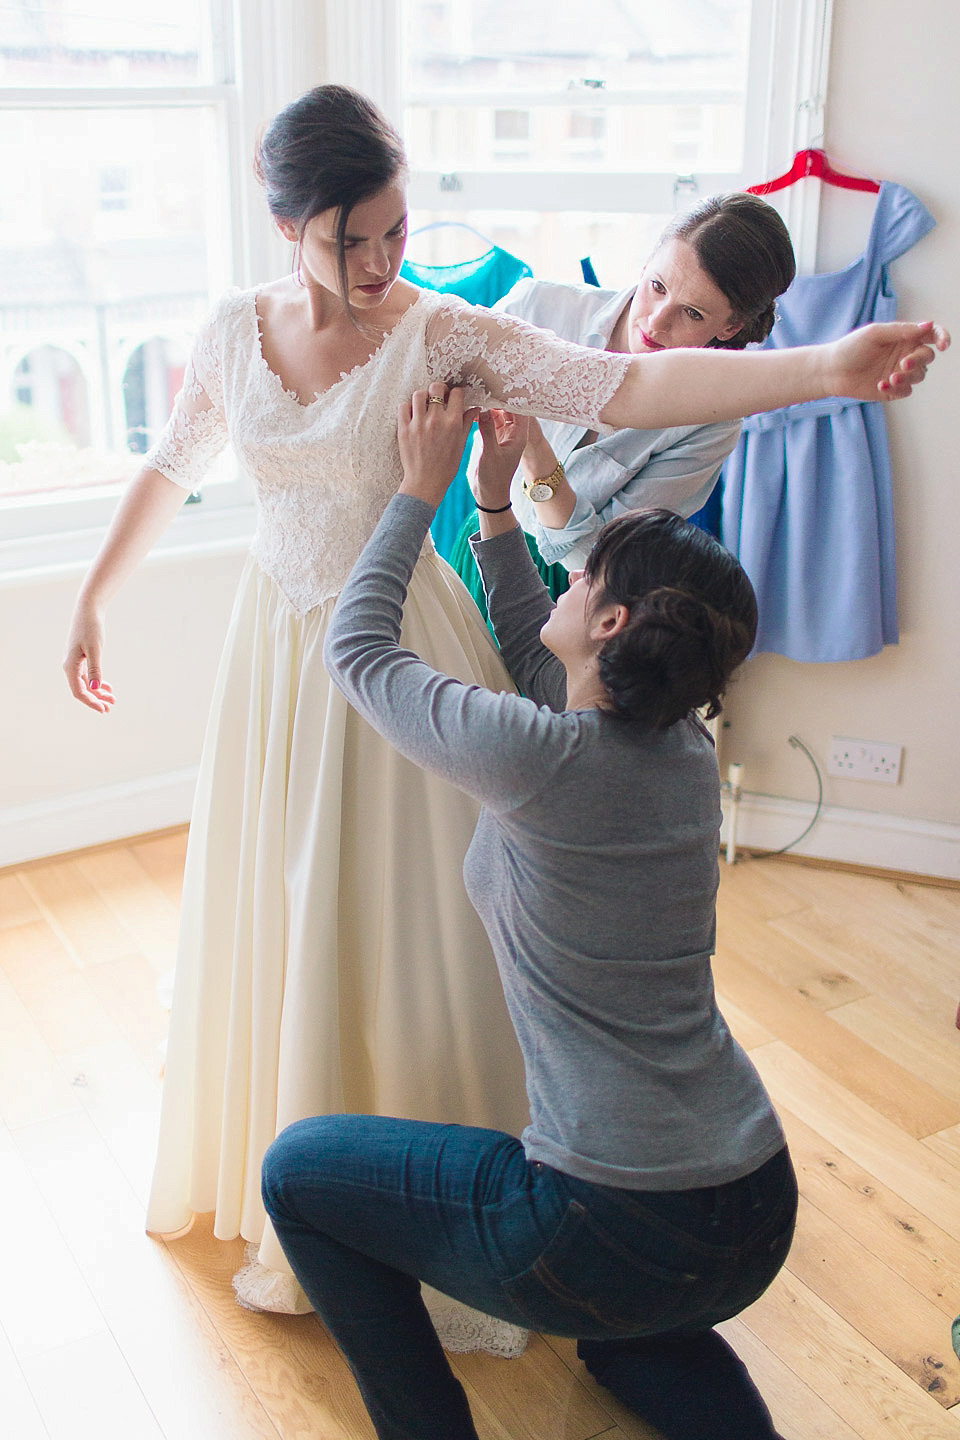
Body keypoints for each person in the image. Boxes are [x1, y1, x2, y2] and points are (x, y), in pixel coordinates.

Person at [62, 79, 945, 1331]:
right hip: (273, 651)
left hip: (400, 633)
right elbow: (172, 460)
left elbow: (625, 390)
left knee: (414, 918)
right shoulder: (227, 330)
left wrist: (824, 370)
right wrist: (94, 593)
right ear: (287, 229)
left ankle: (446, 1175)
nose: (375, 262)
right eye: (345, 238)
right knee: (287, 893)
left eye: (393, 231)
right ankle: (294, 1154)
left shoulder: (440, 332)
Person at [261, 355, 944, 1440]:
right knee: (632, 1324)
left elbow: (357, 650)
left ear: (617, 627)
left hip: (606, 1220)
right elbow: (553, 677)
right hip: (751, 1208)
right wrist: (492, 505)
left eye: (585, 580)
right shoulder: (676, 750)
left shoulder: (544, 761)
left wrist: (417, 490)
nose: (567, 582)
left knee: (297, 1172)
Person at [448, 191, 797, 617]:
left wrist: (537, 456)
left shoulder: (711, 419)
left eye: (692, 313)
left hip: (585, 599)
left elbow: (604, 559)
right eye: (657, 287)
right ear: (645, 263)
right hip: (483, 542)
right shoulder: (537, 307)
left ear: (730, 327)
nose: (655, 321)